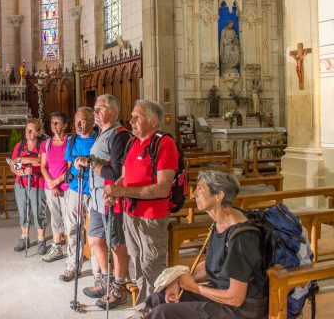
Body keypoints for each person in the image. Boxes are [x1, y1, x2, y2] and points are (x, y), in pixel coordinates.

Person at [146, 170, 267, 319]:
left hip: (239, 310)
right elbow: (213, 263)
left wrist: (194, 288)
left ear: (219, 195)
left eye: (200, 188)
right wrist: (178, 281)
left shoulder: (242, 237)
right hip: (221, 297)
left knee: (163, 313)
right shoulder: (220, 223)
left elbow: (235, 298)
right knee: (160, 296)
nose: (194, 194)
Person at [103, 100, 179, 319]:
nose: (132, 120)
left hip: (151, 218)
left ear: (153, 120)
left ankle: (154, 311)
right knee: (136, 265)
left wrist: (123, 192)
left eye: (138, 117)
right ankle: (143, 309)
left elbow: (163, 188)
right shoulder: (132, 143)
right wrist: (113, 189)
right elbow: (125, 177)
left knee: (152, 266)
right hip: (130, 214)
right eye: (132, 116)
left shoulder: (164, 144)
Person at [75, 95, 131, 310]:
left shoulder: (119, 135)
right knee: (95, 239)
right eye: (95, 109)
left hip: (110, 197)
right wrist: (87, 162)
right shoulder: (102, 134)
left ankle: (119, 287)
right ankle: (105, 281)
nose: (95, 112)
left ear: (114, 112)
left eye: (100, 108)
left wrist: (90, 162)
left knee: (116, 243)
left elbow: (116, 171)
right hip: (96, 197)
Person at [60, 107, 98, 282]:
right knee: (73, 229)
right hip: (75, 189)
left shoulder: (98, 139)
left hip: (93, 190)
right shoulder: (72, 139)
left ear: (92, 121)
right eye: (76, 121)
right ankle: (73, 266)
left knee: (96, 233)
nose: (79, 125)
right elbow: (69, 165)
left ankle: (99, 273)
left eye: (82, 121)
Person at [7, 118, 47, 255]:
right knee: (23, 211)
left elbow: (39, 161)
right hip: (21, 183)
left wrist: (22, 159)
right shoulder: (20, 146)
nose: (28, 133)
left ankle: (41, 240)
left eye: (31, 130)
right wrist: (22, 171)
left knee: (38, 211)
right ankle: (24, 238)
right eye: (26, 130)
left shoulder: (42, 145)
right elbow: (13, 165)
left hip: (37, 182)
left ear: (38, 132)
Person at [40, 112, 70, 263]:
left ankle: (71, 250)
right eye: (52, 123)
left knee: (69, 219)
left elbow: (71, 168)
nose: (54, 125)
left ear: (65, 125)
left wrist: (57, 182)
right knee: (55, 218)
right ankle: (57, 247)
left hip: (66, 187)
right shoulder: (47, 143)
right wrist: (51, 183)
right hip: (50, 186)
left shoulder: (70, 142)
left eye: (58, 122)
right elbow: (43, 166)